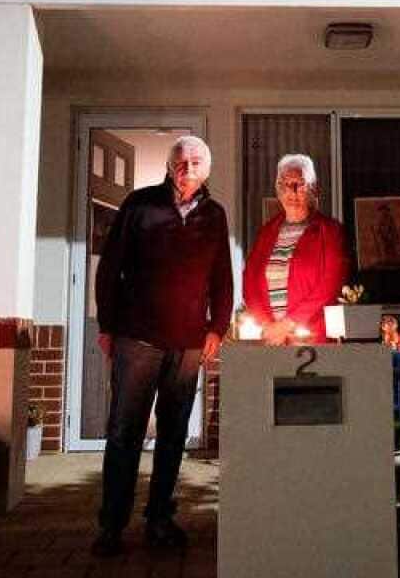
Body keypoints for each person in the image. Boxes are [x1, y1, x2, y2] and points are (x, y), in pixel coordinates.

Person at [91, 135, 232, 556]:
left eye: (196, 161)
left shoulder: (214, 215)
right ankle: (112, 525)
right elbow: (110, 267)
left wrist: (217, 328)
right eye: (181, 160)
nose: (188, 167)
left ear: (207, 169)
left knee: (173, 435)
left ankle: (159, 519)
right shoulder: (139, 204)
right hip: (138, 337)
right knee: (124, 432)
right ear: (170, 166)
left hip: (188, 344)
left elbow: (222, 276)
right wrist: (108, 325)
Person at [243, 154, 348, 345]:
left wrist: (288, 324)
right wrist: (268, 325)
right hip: (271, 339)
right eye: (285, 184)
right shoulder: (267, 232)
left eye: (299, 184)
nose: (292, 192)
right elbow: (250, 282)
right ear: (278, 190)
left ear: (313, 188)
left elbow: (330, 284)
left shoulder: (330, 231)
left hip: (311, 339)